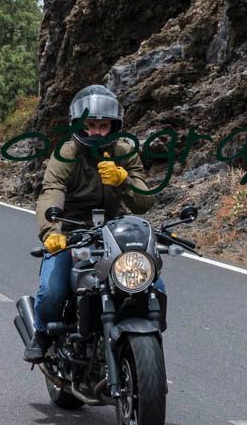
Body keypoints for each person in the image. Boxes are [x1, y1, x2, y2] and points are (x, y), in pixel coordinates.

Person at [25, 84, 161, 363]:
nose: (97, 132)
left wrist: (124, 181)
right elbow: (51, 193)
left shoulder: (125, 152)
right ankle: (42, 334)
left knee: (153, 284)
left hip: (114, 230)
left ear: (114, 127)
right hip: (71, 230)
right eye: (90, 125)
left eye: (103, 125)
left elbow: (144, 202)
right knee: (52, 292)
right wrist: (51, 232)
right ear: (79, 125)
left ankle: (143, 339)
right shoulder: (66, 154)